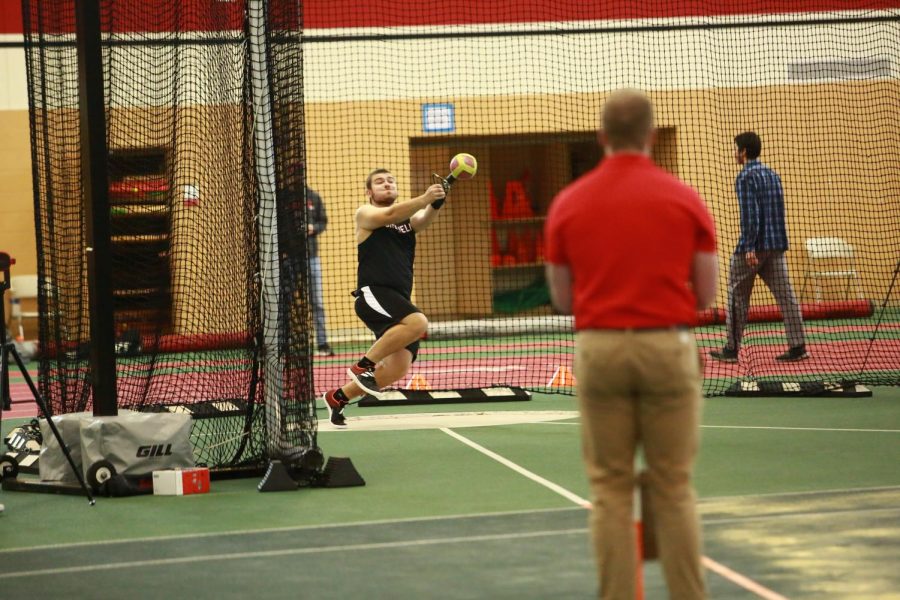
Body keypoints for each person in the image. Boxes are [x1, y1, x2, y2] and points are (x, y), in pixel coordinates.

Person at [544, 89, 718, 600]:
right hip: (667, 347)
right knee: (673, 487)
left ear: (602, 138)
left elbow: (561, 297)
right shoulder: (684, 197)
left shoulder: (568, 203)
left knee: (611, 491)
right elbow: (705, 292)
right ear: (651, 135)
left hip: (599, 350)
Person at [321, 169, 446, 427]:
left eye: (390, 181)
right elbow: (391, 214)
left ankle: (338, 397)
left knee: (398, 368)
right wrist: (425, 197)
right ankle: (361, 366)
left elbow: (421, 222)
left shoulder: (405, 223)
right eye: (379, 182)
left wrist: (435, 204)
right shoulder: (365, 213)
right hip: (373, 293)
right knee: (418, 323)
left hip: (397, 298)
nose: (386, 184)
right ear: (370, 192)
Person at [710, 131, 808, 363]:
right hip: (775, 247)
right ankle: (798, 347)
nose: (735, 153)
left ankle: (731, 350)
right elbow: (777, 212)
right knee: (787, 296)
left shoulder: (745, 177)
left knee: (736, 296)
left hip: (752, 249)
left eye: (736, 149)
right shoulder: (773, 175)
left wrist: (749, 247)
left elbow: (750, 215)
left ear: (743, 152)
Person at [306, 186, 334, 357]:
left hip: (312, 256)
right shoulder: (284, 197)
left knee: (317, 302)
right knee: (283, 303)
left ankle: (322, 343)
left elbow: (323, 221)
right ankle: (281, 345)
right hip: (287, 257)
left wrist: (313, 228)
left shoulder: (313, 197)